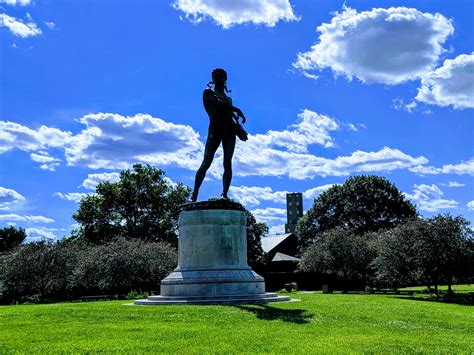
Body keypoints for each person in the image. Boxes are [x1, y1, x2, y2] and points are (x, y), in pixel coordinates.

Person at [191, 68, 246, 202]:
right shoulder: (208, 92)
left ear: (225, 78)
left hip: (229, 132)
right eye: (216, 76)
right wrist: (236, 109)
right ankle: (194, 194)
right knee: (206, 162)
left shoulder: (228, 99)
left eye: (222, 76)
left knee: (227, 163)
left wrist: (239, 129)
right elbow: (218, 104)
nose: (219, 78)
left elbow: (229, 115)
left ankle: (224, 193)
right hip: (215, 130)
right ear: (212, 78)